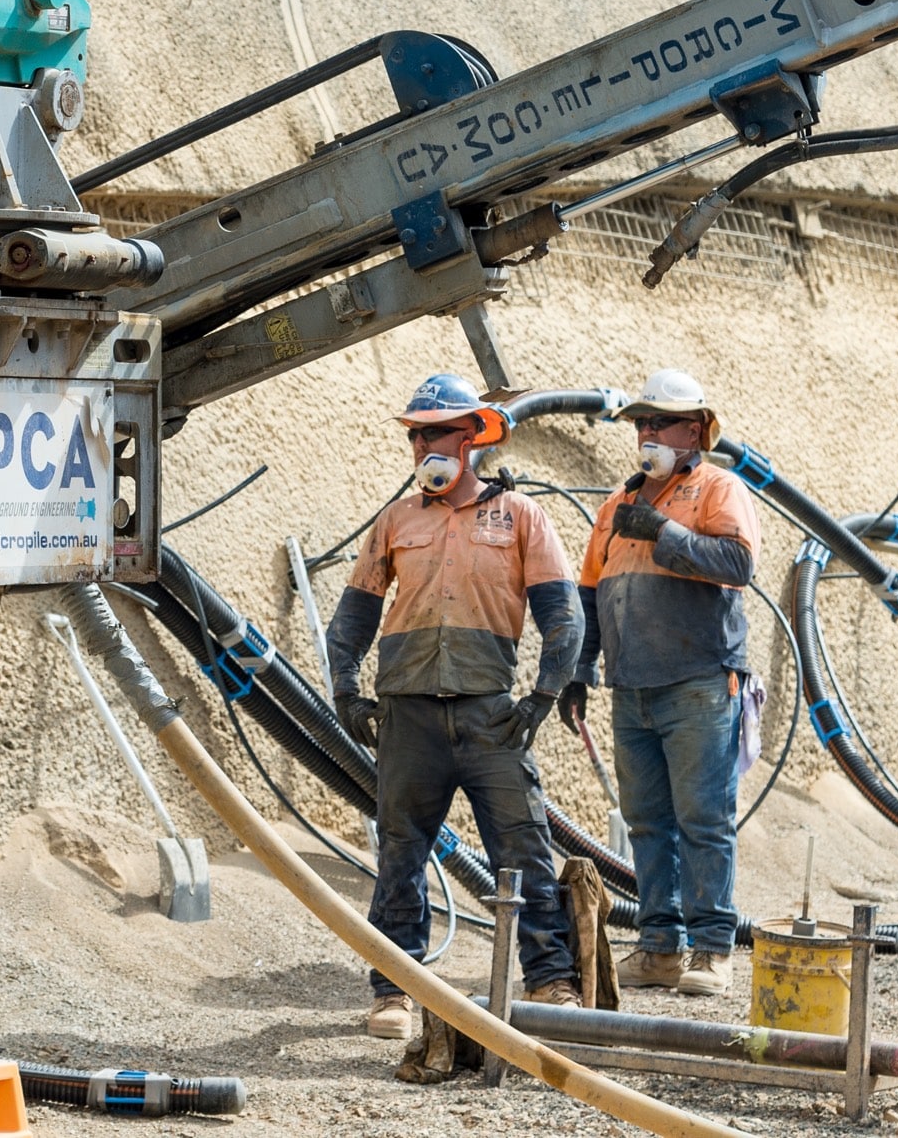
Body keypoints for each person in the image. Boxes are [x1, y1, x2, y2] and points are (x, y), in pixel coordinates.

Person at [326, 372, 588, 1040]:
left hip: (488, 713)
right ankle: (395, 991)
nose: (422, 445)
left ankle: (551, 981)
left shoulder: (520, 516)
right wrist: (347, 695)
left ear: (470, 436)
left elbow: (565, 620)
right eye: (416, 434)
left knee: (523, 846)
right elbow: (351, 621)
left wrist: (541, 699)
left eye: (436, 431)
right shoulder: (396, 521)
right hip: (407, 713)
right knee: (400, 854)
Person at [559, 368, 760, 997]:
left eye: (661, 422)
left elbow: (738, 564)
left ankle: (711, 949)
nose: (647, 432)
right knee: (647, 820)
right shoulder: (616, 507)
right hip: (632, 687)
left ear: (695, 430)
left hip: (699, 681)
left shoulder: (717, 490)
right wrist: (579, 670)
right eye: (643, 422)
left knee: (703, 818)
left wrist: (666, 533)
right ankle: (659, 946)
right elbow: (591, 595)